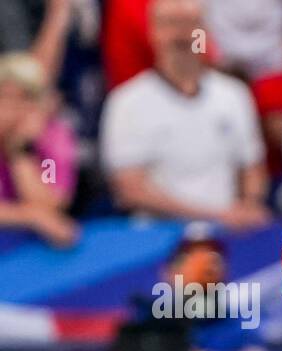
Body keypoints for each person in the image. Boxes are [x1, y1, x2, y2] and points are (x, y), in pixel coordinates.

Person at [100, 0, 272, 228]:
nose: (181, 34)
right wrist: (215, 215)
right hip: (159, 239)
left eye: (191, 24)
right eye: (170, 24)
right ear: (153, 32)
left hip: (229, 233)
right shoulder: (126, 102)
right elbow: (130, 189)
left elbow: (252, 168)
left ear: (205, 31)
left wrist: (250, 204)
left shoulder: (234, 95)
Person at [0, 50, 78, 245]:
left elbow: (51, 206)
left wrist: (20, 151)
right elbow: (39, 214)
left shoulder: (55, 138)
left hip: (34, 245)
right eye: (5, 97)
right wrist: (29, 215)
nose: (14, 108)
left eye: (25, 98)